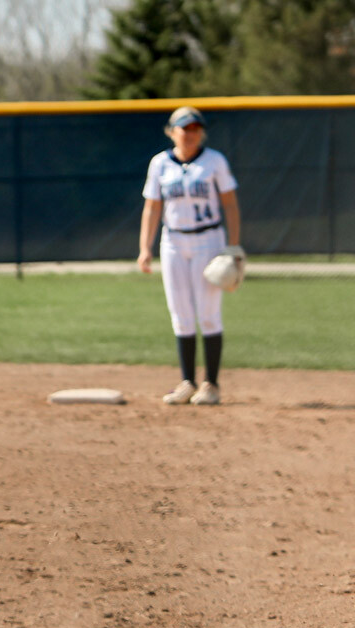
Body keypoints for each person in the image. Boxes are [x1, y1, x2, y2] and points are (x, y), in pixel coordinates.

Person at [137, 106, 243, 406]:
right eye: (185, 128)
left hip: (209, 241)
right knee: (181, 314)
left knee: (208, 314)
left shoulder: (214, 161)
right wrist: (145, 248)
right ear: (172, 131)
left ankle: (211, 385)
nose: (191, 133)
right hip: (173, 241)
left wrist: (233, 247)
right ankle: (187, 382)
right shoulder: (160, 163)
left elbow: (230, 204)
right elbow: (152, 207)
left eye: (196, 128)